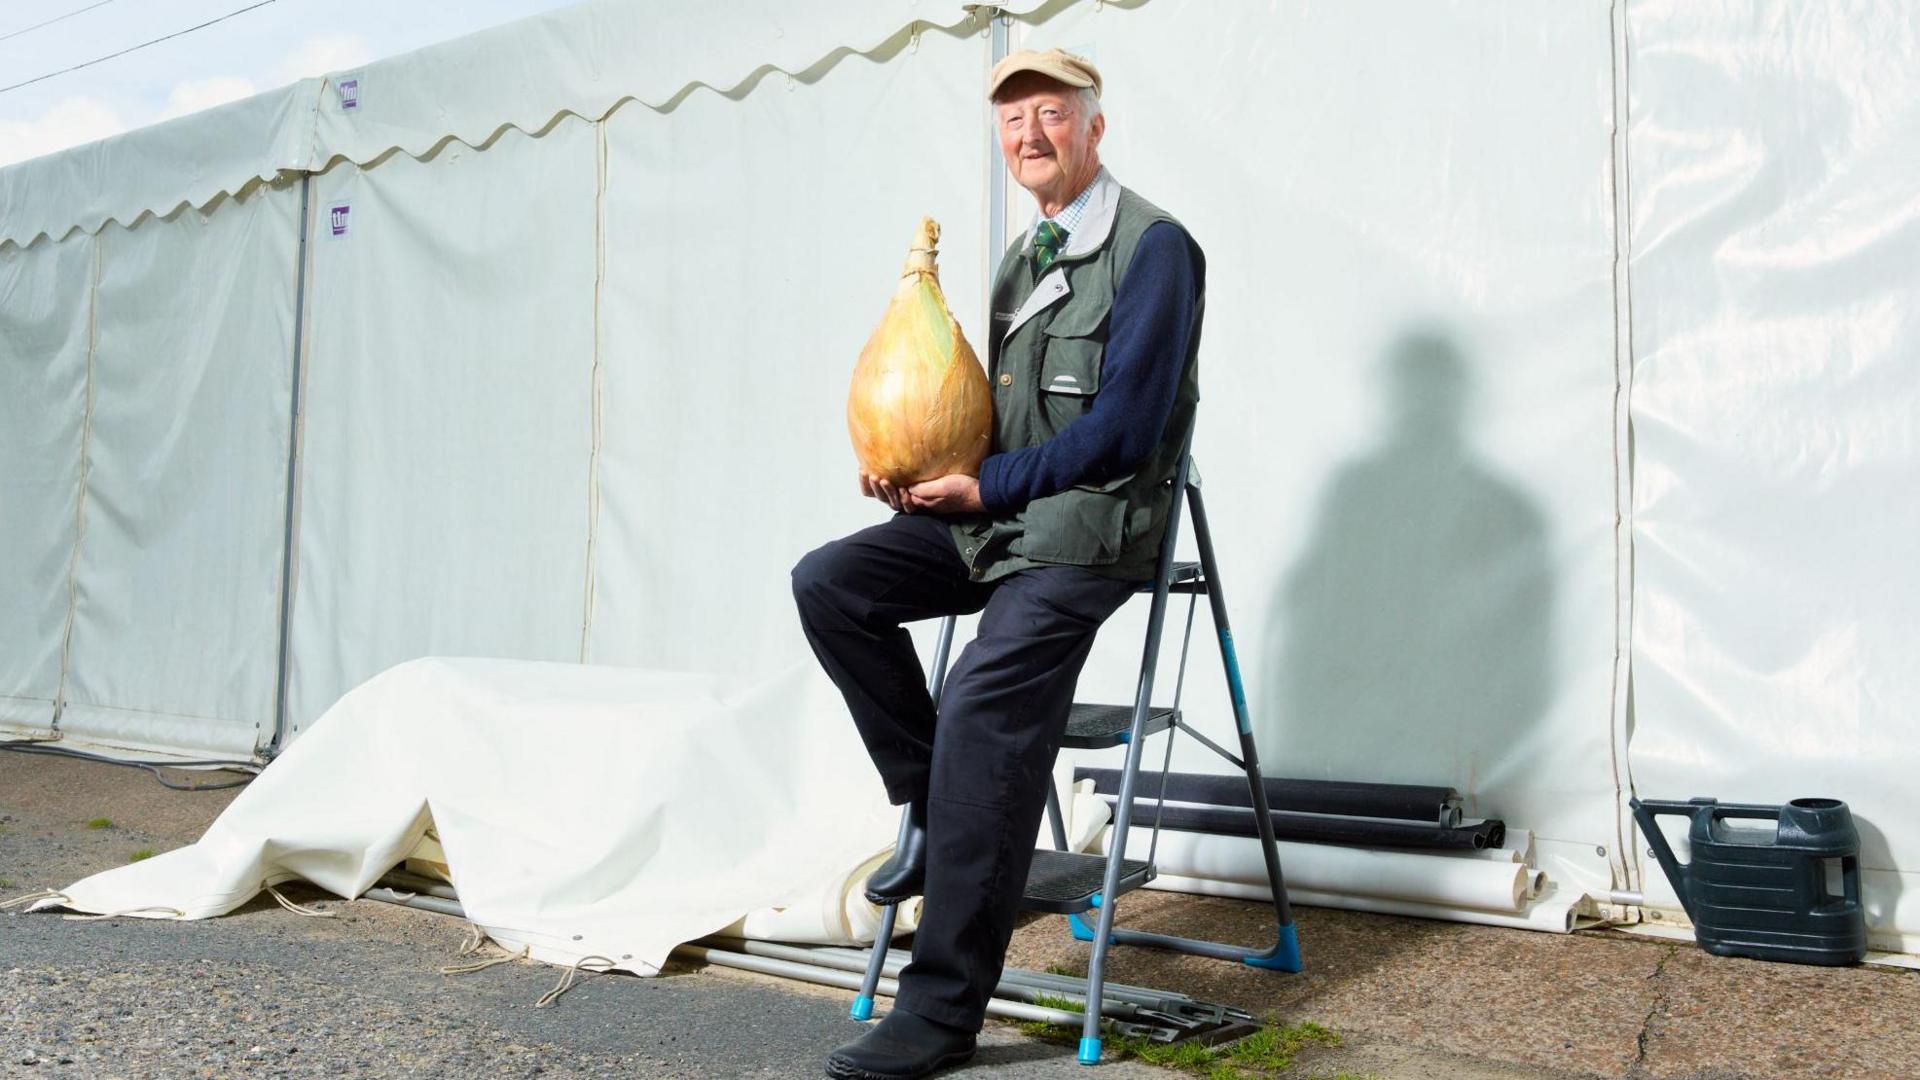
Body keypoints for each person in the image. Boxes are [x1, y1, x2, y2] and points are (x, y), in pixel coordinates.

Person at [792, 48, 1205, 1080]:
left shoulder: (1156, 249)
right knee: (832, 584)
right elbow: (989, 423)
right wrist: (918, 469)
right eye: (1013, 119)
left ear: (1095, 127)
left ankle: (939, 1013)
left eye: (1051, 115)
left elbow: (1126, 430)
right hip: (1002, 517)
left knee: (982, 703)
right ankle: (936, 805)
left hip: (1089, 534)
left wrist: (986, 489)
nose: (1030, 134)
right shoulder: (1027, 256)